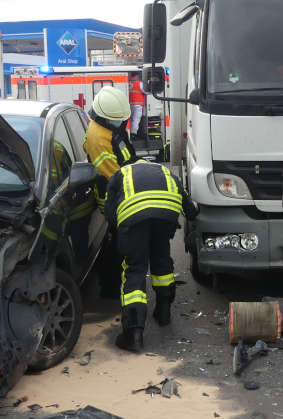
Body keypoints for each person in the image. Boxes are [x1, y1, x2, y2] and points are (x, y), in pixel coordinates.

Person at [104, 160, 199, 352]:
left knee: (135, 269)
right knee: (161, 261)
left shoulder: (120, 174)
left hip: (133, 217)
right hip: (166, 215)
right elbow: (189, 205)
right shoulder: (165, 172)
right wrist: (193, 222)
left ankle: (133, 334)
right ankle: (163, 313)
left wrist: (124, 232)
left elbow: (109, 212)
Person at [83, 85, 137, 296]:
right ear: (105, 117)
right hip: (113, 198)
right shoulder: (98, 139)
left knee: (119, 244)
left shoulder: (110, 129)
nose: (122, 122)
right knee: (115, 246)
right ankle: (112, 289)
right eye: (119, 119)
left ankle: (116, 284)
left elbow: (124, 156)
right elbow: (113, 174)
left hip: (120, 193)